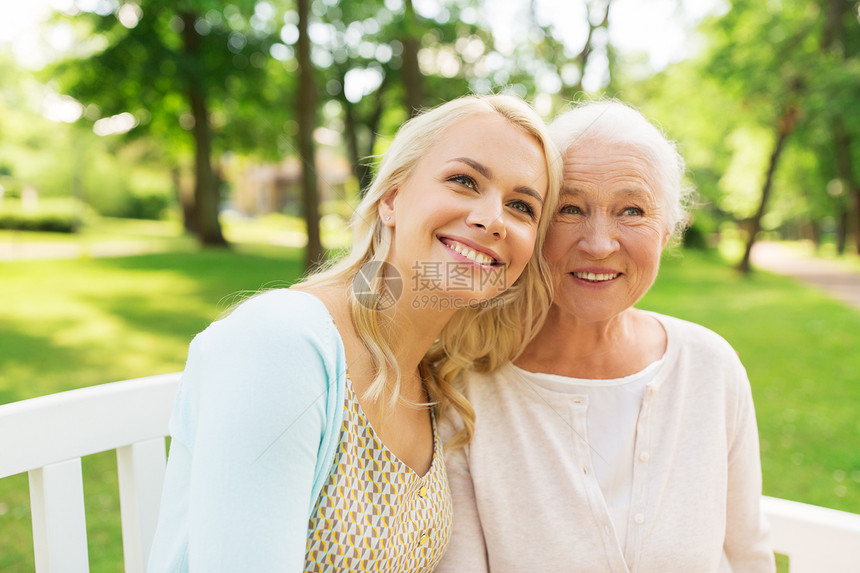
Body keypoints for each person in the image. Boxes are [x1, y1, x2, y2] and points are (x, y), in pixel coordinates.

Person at [146, 94, 562, 573]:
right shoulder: (284, 344)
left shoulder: (432, 382)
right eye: (464, 181)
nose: (492, 219)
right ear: (391, 198)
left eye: (522, 206)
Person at [436, 101, 775, 573]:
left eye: (631, 210)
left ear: (666, 231)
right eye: (570, 209)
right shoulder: (465, 390)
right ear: (534, 225)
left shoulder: (711, 367)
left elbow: (749, 556)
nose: (598, 244)